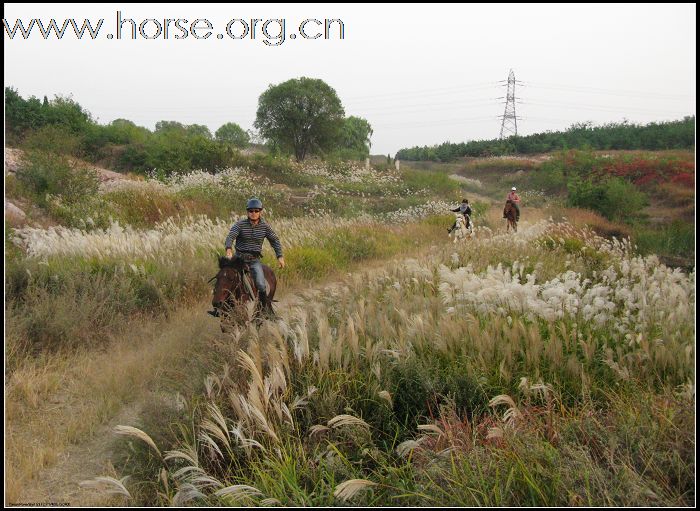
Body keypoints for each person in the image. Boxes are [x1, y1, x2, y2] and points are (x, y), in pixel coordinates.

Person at [224, 198, 286, 317]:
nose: (253, 213)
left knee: (261, 284)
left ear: (260, 212)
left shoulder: (265, 226)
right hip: (238, 259)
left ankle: (264, 310)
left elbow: (275, 240)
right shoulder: (240, 224)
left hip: (253, 260)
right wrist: (228, 249)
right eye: (251, 211)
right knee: (224, 277)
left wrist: (280, 256)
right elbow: (231, 236)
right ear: (247, 212)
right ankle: (219, 306)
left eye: (256, 211)